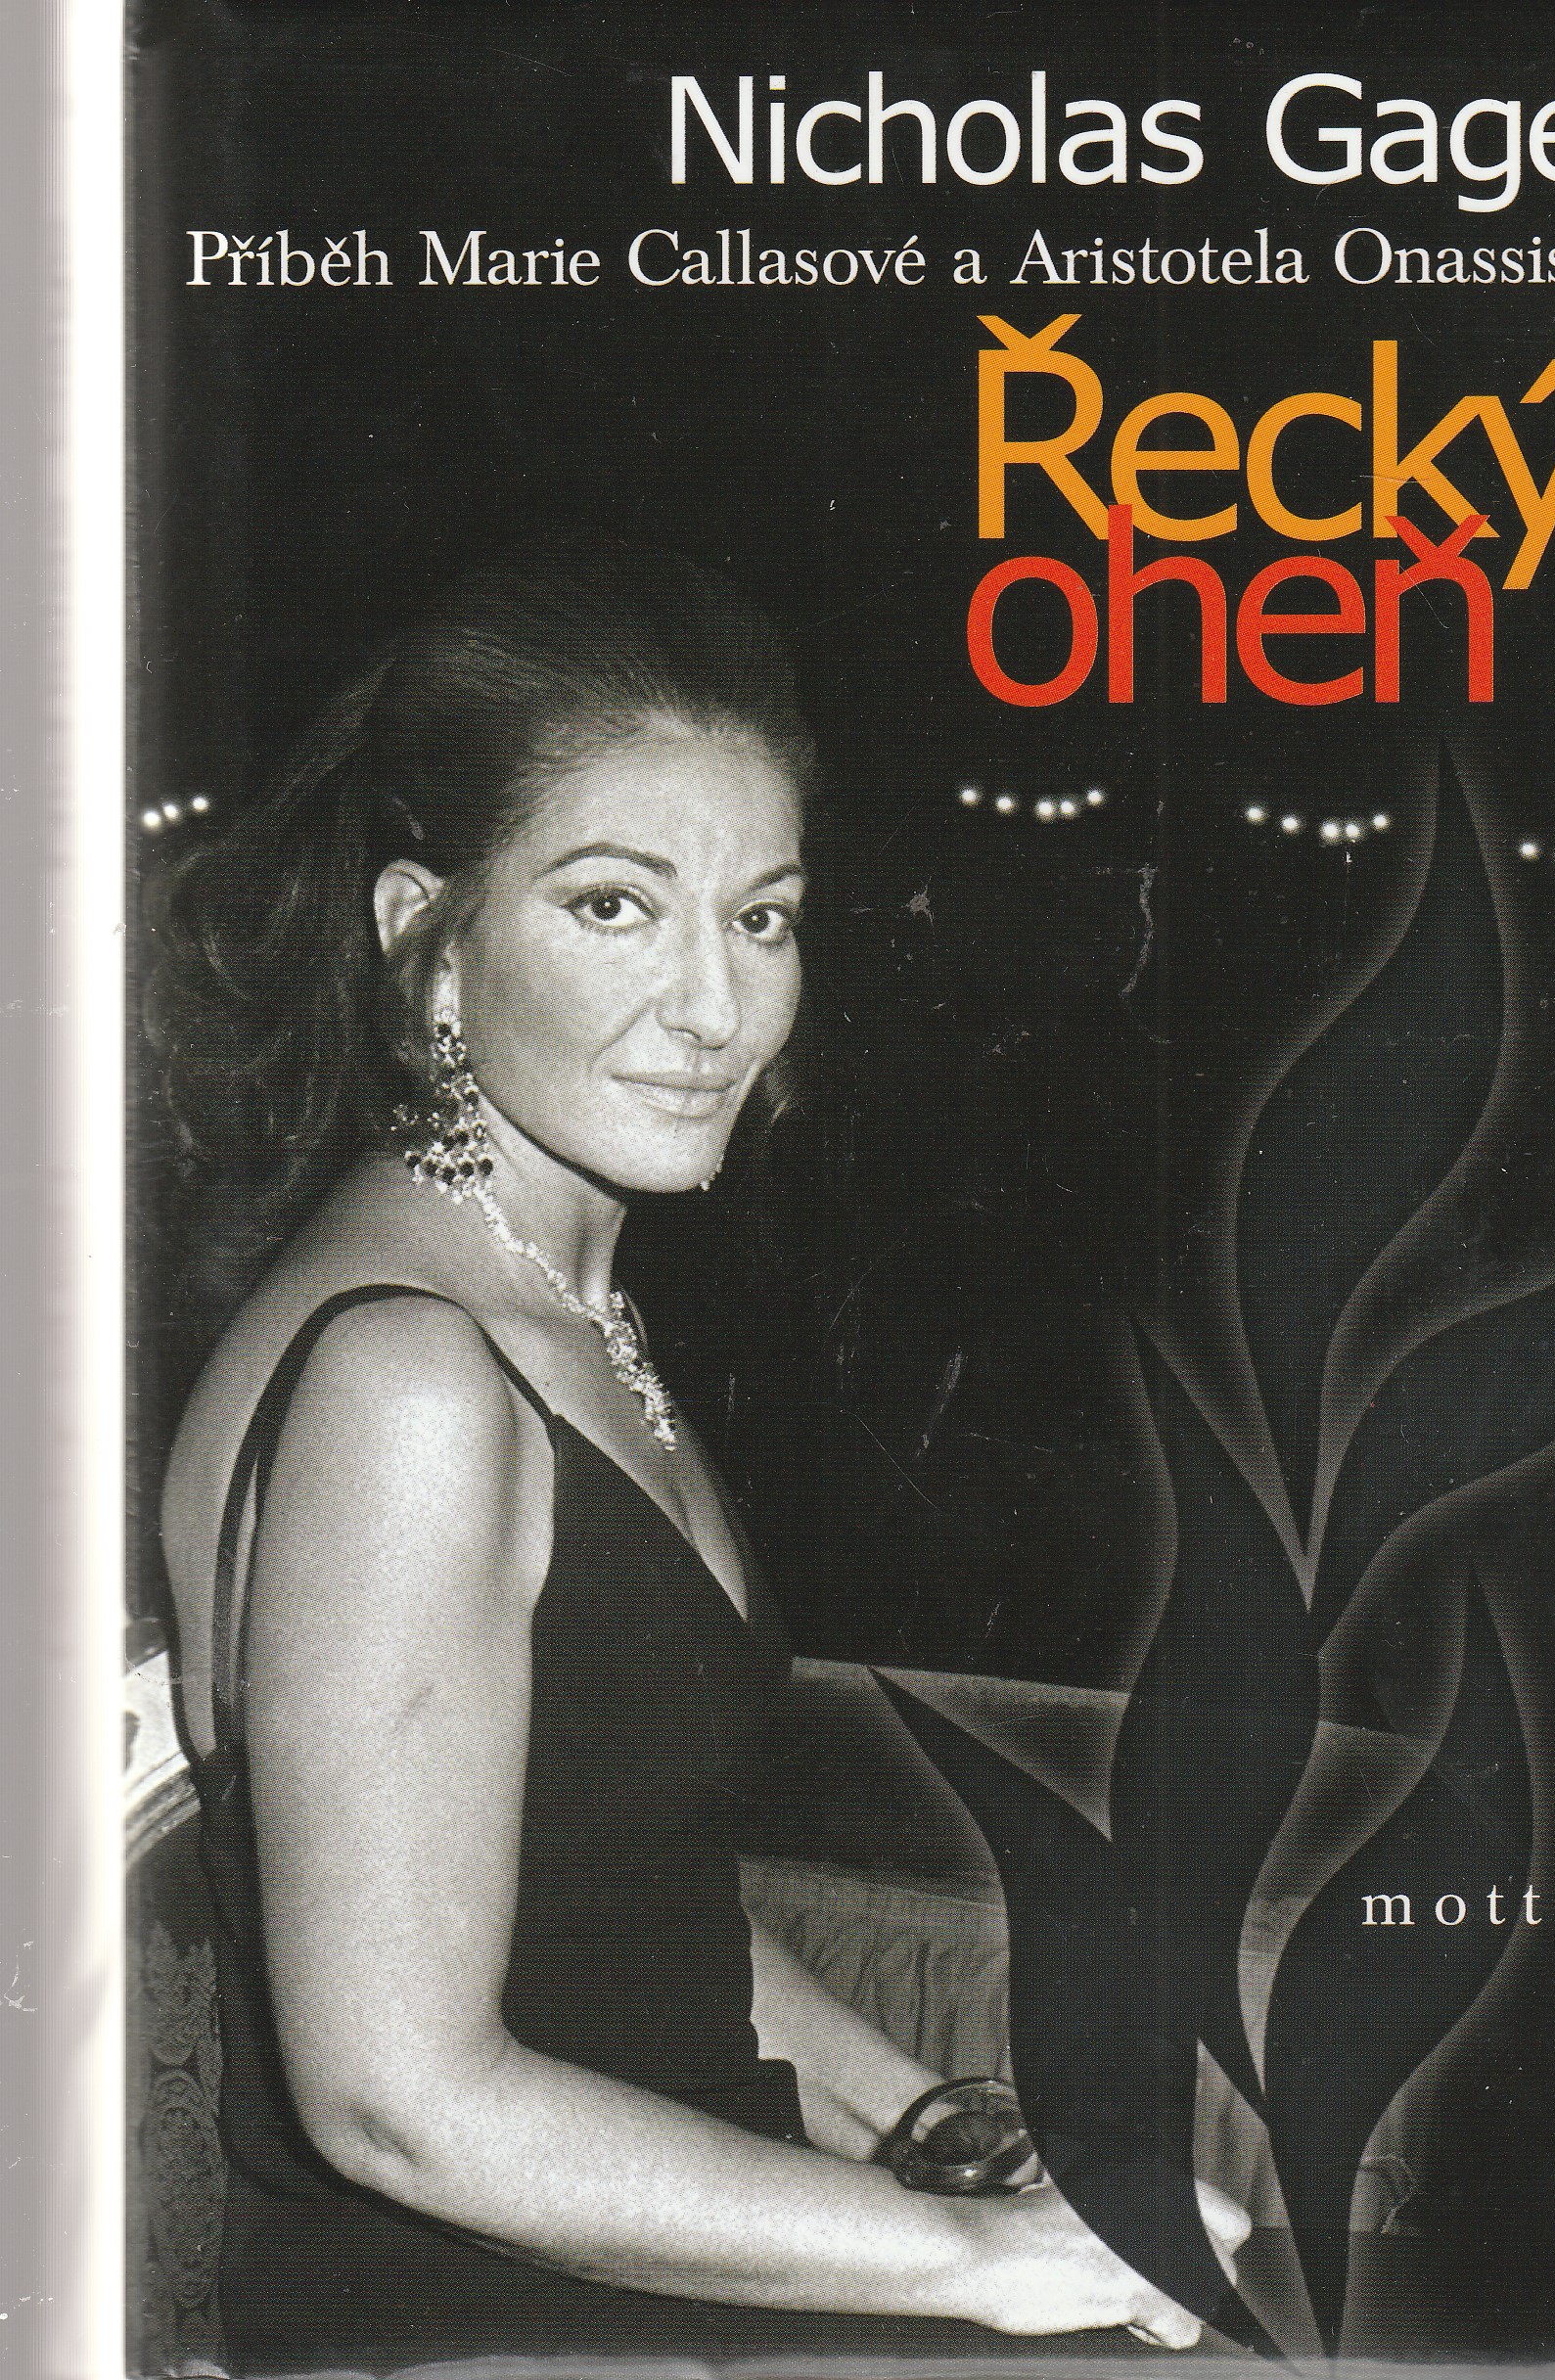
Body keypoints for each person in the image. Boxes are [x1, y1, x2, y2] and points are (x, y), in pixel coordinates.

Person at [149, 547, 1248, 2371]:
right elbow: (395, 2105)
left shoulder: (546, 1311)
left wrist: (941, 2129)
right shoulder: (407, 1379)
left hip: (659, 2240)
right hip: (485, 2317)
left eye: (762, 918)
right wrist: (970, 2260)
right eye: (614, 907)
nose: (715, 1010)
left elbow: (618, 1899)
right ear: (426, 934)